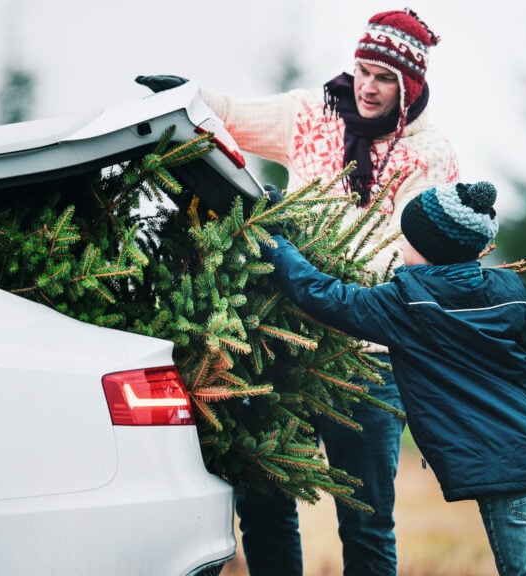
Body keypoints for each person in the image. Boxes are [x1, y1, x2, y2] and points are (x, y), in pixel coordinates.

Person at [137, 8, 457, 575]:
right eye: (362, 70)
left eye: (384, 78)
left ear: (408, 88)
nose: (367, 87)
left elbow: (412, 251)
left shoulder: (428, 154)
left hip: (367, 359)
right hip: (282, 342)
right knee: (262, 503)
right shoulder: (314, 113)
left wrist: (318, 272)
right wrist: (184, 96)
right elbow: (232, 114)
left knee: (366, 519)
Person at [261, 180, 526, 575]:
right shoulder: (507, 290)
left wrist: (275, 238)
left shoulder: (407, 304)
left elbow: (324, 295)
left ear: (430, 249)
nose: (400, 247)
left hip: (507, 465)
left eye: (407, 239)